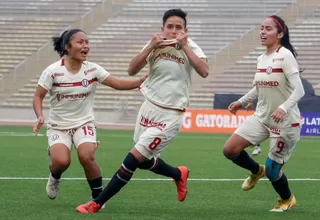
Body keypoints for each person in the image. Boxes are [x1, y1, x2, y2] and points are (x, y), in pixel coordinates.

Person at [76, 8, 209, 214]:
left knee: (134, 158)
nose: (174, 31)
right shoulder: (154, 45)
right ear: (162, 28)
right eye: (170, 27)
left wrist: (184, 47)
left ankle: (97, 203)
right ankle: (178, 173)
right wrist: (151, 47)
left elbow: (204, 71)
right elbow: (131, 70)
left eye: (178, 27)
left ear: (185, 30)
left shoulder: (190, 46)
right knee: (145, 160)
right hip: (148, 108)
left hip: (170, 114)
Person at [33, 28, 147, 203]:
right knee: (61, 162)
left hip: (84, 123)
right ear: (67, 47)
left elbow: (117, 83)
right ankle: (54, 177)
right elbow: (38, 96)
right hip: (58, 126)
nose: (86, 46)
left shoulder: (92, 69)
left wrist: (139, 82)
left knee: (87, 156)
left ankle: (97, 199)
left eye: (87, 42)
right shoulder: (52, 71)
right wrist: (40, 116)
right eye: (80, 42)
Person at [223, 15, 305, 212]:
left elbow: (299, 90)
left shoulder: (285, 55)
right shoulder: (261, 58)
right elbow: (258, 87)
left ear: (280, 34)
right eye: (261, 28)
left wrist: (283, 107)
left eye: (268, 29)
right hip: (262, 118)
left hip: (285, 123)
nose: (262, 32)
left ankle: (287, 199)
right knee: (230, 150)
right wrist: (241, 102)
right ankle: (255, 171)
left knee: (273, 170)